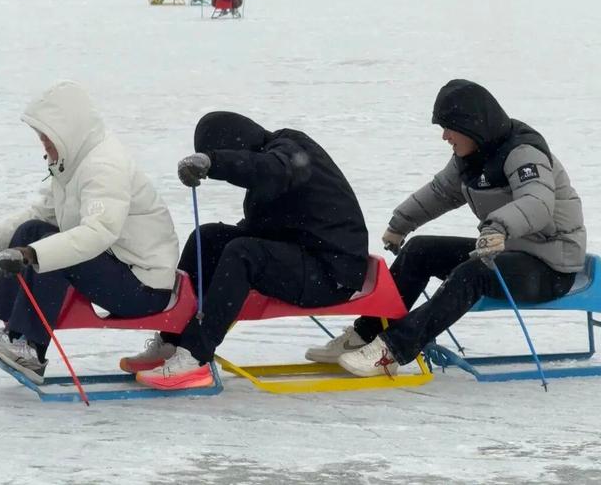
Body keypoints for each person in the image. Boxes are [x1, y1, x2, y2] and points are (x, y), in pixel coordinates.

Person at [304, 79, 586, 378]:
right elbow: (441, 192)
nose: (444, 136)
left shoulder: (523, 153)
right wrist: (401, 224)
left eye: (449, 127)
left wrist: (498, 227)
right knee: (420, 250)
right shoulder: (472, 158)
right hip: (506, 248)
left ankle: (393, 350)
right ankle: (365, 333)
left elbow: (537, 202)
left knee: (473, 272)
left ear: (471, 125)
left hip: (551, 266)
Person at [122, 111, 369, 390]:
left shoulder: (288, 151)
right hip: (302, 255)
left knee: (243, 254)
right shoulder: (269, 165)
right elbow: (263, 223)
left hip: (331, 272)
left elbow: (270, 168)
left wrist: (214, 162)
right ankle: (172, 340)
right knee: (209, 237)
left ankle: (195, 358)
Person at [0, 81, 179, 383]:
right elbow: (42, 213)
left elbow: (98, 232)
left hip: (144, 287)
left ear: (67, 132)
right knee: (33, 230)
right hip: (118, 267)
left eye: (47, 138)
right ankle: (13, 333)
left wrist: (33, 253)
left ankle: (32, 350)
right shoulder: (72, 160)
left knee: (53, 251)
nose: (44, 146)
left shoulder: (104, 166)